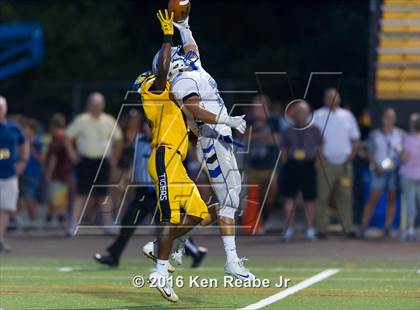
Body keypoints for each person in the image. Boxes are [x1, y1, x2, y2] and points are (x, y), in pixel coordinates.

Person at [137, 10, 246, 302]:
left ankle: (162, 248)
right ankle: (160, 270)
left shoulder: (182, 82)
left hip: (177, 161)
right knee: (170, 216)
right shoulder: (156, 87)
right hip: (163, 158)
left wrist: (183, 27)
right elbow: (162, 74)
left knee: (200, 213)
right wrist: (167, 37)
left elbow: (192, 51)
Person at [160, 13, 254, 280]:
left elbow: (192, 48)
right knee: (230, 201)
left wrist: (183, 26)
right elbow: (194, 108)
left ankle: (172, 243)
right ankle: (231, 261)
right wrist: (227, 118)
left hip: (219, 135)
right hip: (212, 136)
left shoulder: (193, 70)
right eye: (177, 55)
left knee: (226, 201)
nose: (184, 53)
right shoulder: (181, 81)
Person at [94, 112, 207, 268]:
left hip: (158, 191)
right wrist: (127, 178)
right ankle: (113, 256)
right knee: (128, 222)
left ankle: (194, 251)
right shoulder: (138, 141)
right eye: (148, 126)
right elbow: (135, 162)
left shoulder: (166, 142)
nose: (149, 129)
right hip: (142, 191)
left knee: (167, 228)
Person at [65, 92, 123, 235]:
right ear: (89, 105)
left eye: (99, 104)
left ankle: (108, 224)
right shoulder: (81, 120)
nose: (96, 107)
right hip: (85, 160)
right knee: (81, 193)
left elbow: (119, 139)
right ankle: (73, 224)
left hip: (103, 161)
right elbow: (68, 137)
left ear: (102, 105)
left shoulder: (109, 120)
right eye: (94, 104)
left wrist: (114, 158)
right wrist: (73, 155)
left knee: (104, 193)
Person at [313, 88, 360, 238]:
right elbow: (312, 139)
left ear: (339, 99)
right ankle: (321, 229)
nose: (332, 99)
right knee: (322, 196)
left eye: (334, 96)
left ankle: (348, 228)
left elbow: (355, 138)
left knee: (345, 196)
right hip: (325, 162)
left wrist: (351, 156)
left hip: (345, 163)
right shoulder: (317, 115)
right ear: (324, 99)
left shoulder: (347, 116)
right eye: (329, 97)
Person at [281, 100, 322, 241]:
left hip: (308, 165)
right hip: (292, 165)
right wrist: (285, 161)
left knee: (310, 198)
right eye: (297, 111)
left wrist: (317, 162)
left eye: (303, 111)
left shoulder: (315, 129)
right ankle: (289, 228)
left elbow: (320, 146)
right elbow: (283, 148)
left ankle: (310, 228)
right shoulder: (287, 130)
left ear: (308, 113)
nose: (300, 114)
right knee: (289, 197)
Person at [361, 108, 404, 237]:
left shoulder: (401, 134)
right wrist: (376, 165)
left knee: (392, 199)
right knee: (373, 199)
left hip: (393, 171)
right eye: (388, 117)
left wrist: (399, 160)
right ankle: (363, 226)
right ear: (383, 118)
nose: (390, 120)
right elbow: (369, 152)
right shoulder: (375, 134)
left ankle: (388, 228)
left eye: (392, 117)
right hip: (378, 171)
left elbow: (404, 153)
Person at [245, 95, 280, 227]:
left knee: (270, 195)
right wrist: (260, 134)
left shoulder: (274, 121)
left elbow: (275, 139)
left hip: (270, 165)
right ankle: (254, 222)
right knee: (253, 196)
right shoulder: (249, 121)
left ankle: (266, 218)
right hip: (252, 166)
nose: (257, 110)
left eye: (260, 107)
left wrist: (255, 135)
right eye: (255, 107)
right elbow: (242, 138)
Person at [0, 96, 29, 252]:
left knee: (5, 208)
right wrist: (5, 155)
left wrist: (23, 160)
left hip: (9, 174)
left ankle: (0, 239)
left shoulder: (14, 128)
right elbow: (4, 153)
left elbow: (24, 143)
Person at [45, 114, 73, 228]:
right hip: (67, 171)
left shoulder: (56, 138)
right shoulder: (67, 136)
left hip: (57, 172)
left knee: (57, 194)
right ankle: (51, 214)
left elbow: (53, 158)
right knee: (61, 193)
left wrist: (49, 172)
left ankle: (60, 217)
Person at [18, 118, 43, 227]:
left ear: (32, 129)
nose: (23, 130)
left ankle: (33, 219)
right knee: (21, 197)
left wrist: (31, 149)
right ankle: (22, 218)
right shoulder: (21, 141)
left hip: (33, 173)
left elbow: (41, 158)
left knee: (29, 197)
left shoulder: (37, 141)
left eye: (26, 128)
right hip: (22, 172)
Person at [399, 113, 420, 241]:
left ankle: (411, 229)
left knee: (410, 203)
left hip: (407, 175)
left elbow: (404, 158)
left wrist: (398, 151)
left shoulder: (407, 139)